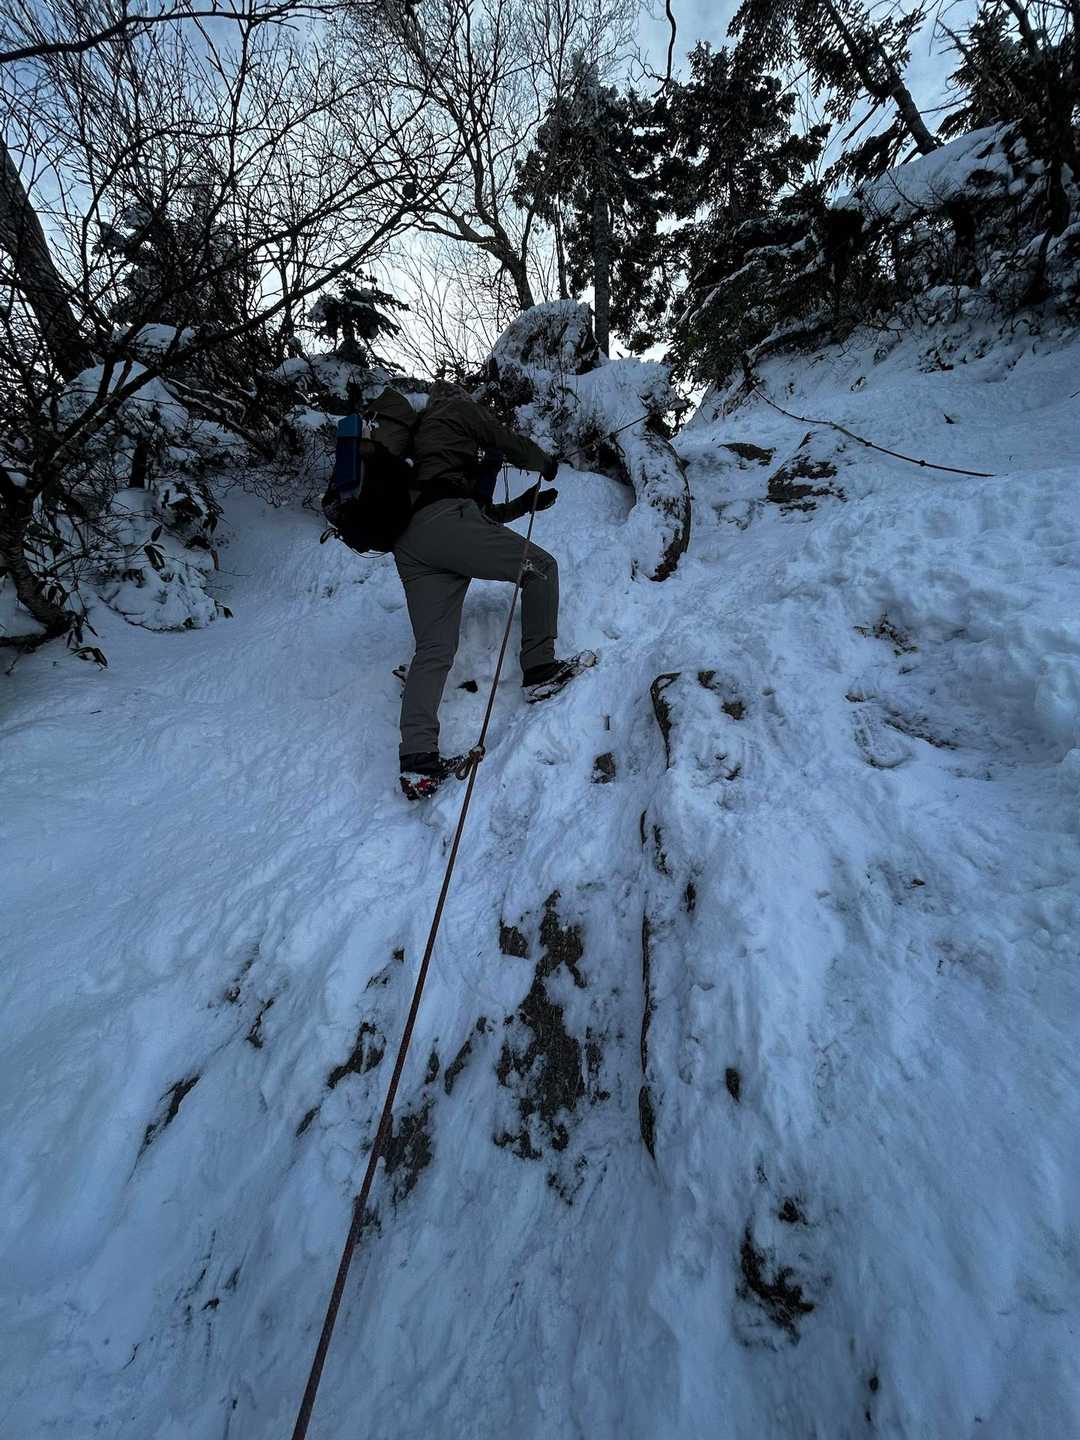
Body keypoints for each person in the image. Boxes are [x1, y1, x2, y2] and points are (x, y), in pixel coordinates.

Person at [367, 382, 584, 796]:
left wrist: (524, 506)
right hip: (445, 524)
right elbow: (501, 439)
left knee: (433, 649)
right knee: (540, 568)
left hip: (411, 545)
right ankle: (539, 669)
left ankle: (417, 761)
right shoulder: (454, 409)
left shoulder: (419, 446)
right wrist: (543, 462)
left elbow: (475, 515)